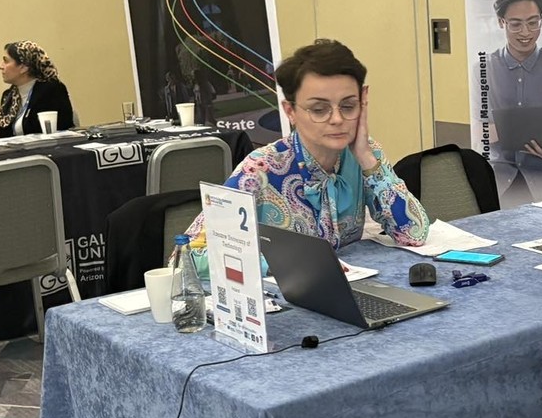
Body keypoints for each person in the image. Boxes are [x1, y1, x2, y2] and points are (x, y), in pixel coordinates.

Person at [183, 39, 429, 257]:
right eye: (319, 110)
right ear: (290, 111)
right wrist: (282, 262)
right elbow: (189, 254)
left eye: (348, 106)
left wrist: (366, 159)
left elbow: (414, 234)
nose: (337, 119)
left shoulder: (362, 154)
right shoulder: (259, 170)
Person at [483, 0, 542, 203]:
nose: (526, 32)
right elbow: (478, 128)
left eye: (533, 22)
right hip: (499, 180)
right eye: (516, 24)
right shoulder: (484, 68)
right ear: (501, 22)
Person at [0, 41, 75, 136]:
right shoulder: (8, 96)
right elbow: (2, 138)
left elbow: (60, 130)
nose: (0, 66)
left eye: (6, 61)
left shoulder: (51, 90)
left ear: (24, 67)